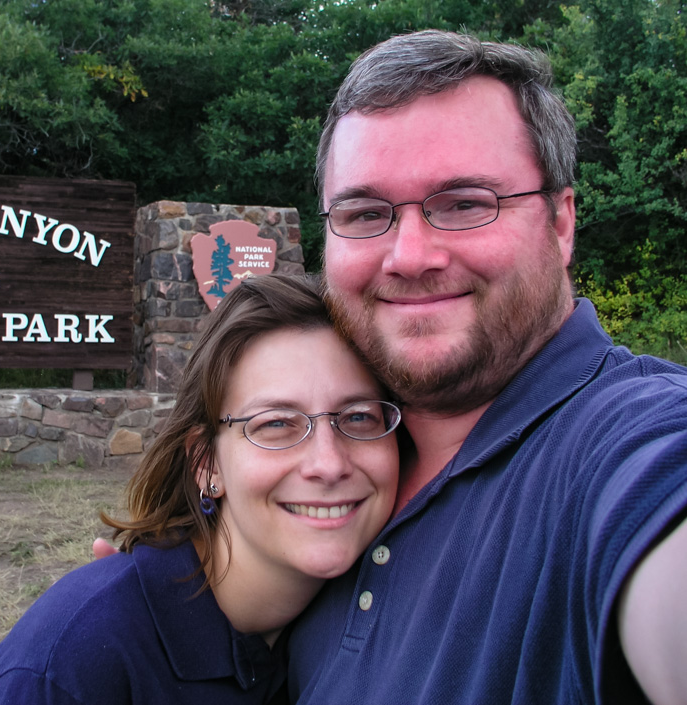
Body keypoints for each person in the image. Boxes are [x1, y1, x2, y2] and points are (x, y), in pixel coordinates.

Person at [285, 29, 687, 705]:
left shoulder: (628, 440)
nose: (410, 255)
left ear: (561, 224)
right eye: (365, 213)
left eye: (466, 203)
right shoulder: (333, 469)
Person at [0, 274, 402, 704]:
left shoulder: (373, 615)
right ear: (206, 463)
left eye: (359, 417)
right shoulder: (70, 669)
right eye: (275, 424)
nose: (328, 464)